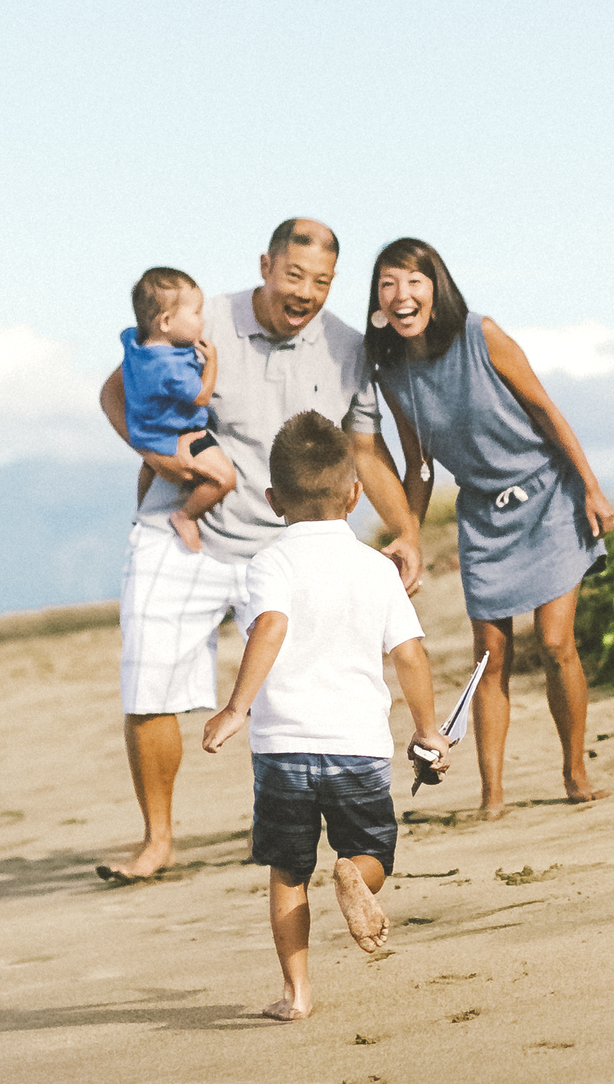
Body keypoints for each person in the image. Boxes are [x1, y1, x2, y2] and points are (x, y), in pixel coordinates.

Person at [94, 217, 439, 883]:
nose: (306, 292)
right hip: (184, 531)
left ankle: (323, 821)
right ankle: (158, 840)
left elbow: (362, 452)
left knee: (323, 690)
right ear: (266, 265)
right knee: (148, 684)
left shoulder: (345, 347)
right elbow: (117, 391)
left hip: (287, 545)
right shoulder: (202, 317)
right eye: (294, 275)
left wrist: (408, 531)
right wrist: (155, 457)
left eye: (322, 281)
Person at [361, 233, 614, 820]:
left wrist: (593, 490)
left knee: (555, 644)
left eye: (413, 281)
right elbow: (418, 464)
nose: (401, 295)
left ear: (436, 287)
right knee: (490, 657)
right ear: (378, 302)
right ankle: (492, 796)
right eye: (387, 284)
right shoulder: (392, 373)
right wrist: (411, 533)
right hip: (483, 515)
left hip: (548, 494)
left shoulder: (483, 334)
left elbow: (547, 411)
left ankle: (575, 774)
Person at [201, 411, 424, 1021]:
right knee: (372, 849)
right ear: (355, 495)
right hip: (358, 745)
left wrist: (235, 708)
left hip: (283, 750)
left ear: (273, 500)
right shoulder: (377, 569)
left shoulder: (270, 564)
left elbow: (271, 625)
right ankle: (355, 875)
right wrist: (428, 730)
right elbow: (409, 655)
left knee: (288, 869)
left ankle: (297, 994)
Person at [118, 268, 237, 552]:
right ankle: (185, 516)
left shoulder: (133, 342)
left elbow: (129, 333)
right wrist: (212, 361)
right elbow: (201, 396)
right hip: (181, 435)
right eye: (196, 313)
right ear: (167, 321)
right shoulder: (171, 369)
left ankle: (141, 512)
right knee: (224, 479)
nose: (202, 320)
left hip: (144, 433)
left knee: (148, 467)